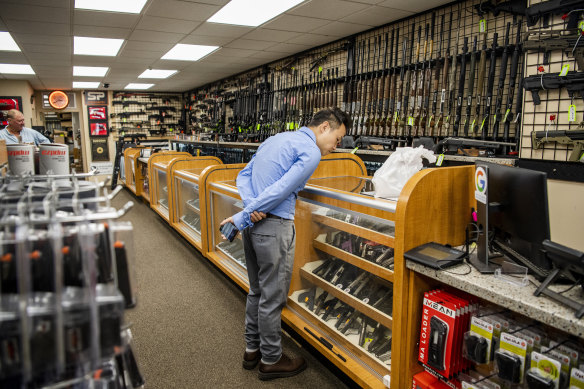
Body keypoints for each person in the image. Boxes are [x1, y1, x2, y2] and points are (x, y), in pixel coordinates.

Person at [220, 107, 350, 381]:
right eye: (337, 139)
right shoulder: (311, 151)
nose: (335, 147)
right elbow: (281, 189)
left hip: (256, 225)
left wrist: (251, 208)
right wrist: (247, 213)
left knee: (256, 291)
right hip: (274, 227)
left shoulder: (276, 139)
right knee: (272, 297)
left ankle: (251, 350)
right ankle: (271, 359)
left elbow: (244, 175)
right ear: (325, 127)